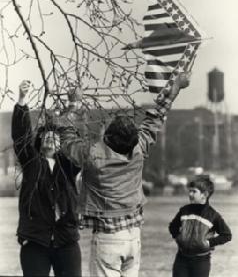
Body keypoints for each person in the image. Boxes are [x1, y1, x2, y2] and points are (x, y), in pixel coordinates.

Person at [61, 72, 191, 277]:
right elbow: (156, 116)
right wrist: (174, 88)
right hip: (133, 237)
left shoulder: (92, 156)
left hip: (108, 239)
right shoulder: (139, 148)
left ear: (108, 137)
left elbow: (66, 138)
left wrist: (74, 105)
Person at [11, 80, 82, 277]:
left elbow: (74, 142)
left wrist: (73, 105)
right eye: (46, 135)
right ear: (39, 140)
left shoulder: (68, 166)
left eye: (56, 136)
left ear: (62, 143)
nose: (51, 137)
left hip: (66, 241)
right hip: (35, 241)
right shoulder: (32, 162)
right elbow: (20, 137)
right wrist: (22, 101)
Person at [169, 174, 232, 277]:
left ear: (205, 194)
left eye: (194, 191)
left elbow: (227, 235)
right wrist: (178, 237)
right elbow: (172, 226)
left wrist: (208, 243)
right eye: (189, 191)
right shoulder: (184, 210)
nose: (190, 194)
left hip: (201, 262)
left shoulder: (213, 215)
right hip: (181, 259)